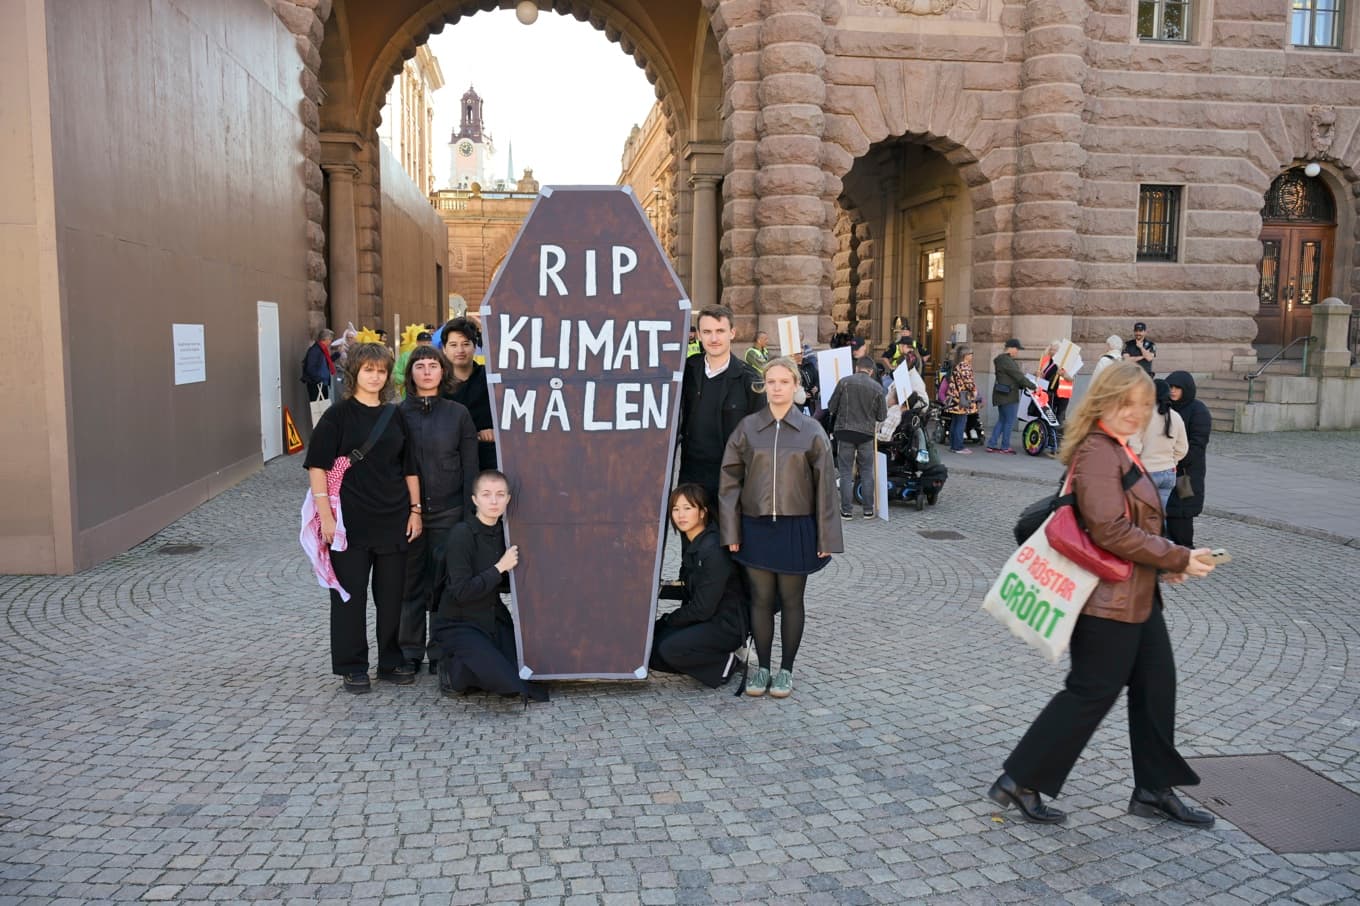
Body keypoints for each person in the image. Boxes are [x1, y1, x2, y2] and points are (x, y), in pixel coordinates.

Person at [989, 362, 1217, 827]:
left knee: (1157, 687)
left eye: (1145, 406)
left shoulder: (1118, 449)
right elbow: (1110, 530)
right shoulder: (1098, 450)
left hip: (1135, 594)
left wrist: (1161, 563)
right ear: (1104, 402)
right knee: (1091, 692)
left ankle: (1153, 789)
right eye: (1127, 404)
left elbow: (1131, 527)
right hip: (1106, 600)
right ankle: (1020, 779)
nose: (1137, 414)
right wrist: (1175, 557)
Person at [720, 357, 844, 699]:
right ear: (763, 386)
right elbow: (729, 481)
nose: (777, 387)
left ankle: (786, 669)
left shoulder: (811, 431)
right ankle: (762, 668)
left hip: (796, 527)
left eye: (783, 382)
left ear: (795, 386)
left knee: (792, 600)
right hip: (756, 527)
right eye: (771, 381)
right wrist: (731, 531)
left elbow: (825, 487)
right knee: (760, 600)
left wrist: (826, 535)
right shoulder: (748, 428)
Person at [305, 341, 422, 693]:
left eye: (381, 370)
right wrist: (325, 516)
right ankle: (352, 666)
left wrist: (416, 511)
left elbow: (410, 467)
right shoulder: (337, 416)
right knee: (349, 596)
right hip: (349, 522)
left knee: (391, 597)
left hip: (394, 516)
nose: (375, 376)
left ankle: (390, 660)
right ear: (355, 372)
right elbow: (317, 467)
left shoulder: (396, 414)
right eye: (368, 369)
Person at [431, 470, 548, 703]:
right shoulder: (461, 534)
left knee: (528, 673)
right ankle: (451, 669)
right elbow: (461, 592)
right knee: (506, 681)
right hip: (459, 622)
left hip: (492, 619)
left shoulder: (505, 533)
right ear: (475, 500)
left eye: (500, 494)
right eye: (486, 494)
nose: (493, 501)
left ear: (508, 499)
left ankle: (478, 663)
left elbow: (506, 584)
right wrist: (500, 567)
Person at [397, 346, 479, 675]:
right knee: (409, 584)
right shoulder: (397, 414)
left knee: (444, 586)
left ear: (443, 372)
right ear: (411, 373)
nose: (428, 371)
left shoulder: (458, 414)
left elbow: (470, 468)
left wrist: (469, 518)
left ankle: (441, 651)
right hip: (408, 515)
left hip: (450, 512)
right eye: (420, 366)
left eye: (433, 365)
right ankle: (409, 651)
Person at [650, 485, 749, 688]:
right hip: (706, 619)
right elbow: (690, 588)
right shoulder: (695, 544)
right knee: (650, 649)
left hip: (726, 625)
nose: (680, 515)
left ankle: (726, 663)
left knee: (669, 649)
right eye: (675, 509)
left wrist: (670, 619)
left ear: (703, 512)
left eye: (687, 508)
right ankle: (708, 657)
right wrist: (657, 590)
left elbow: (703, 608)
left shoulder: (713, 549)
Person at [678, 305, 763, 508]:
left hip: (730, 485)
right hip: (691, 480)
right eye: (707, 332)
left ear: (732, 333)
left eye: (720, 331)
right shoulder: (687, 371)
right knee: (693, 541)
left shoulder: (749, 380)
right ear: (698, 335)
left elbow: (759, 439)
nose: (713, 339)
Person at [827, 356, 887, 519]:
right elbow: (882, 416)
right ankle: (868, 509)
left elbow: (831, 407)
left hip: (845, 431)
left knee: (846, 472)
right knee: (867, 471)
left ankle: (846, 511)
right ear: (871, 371)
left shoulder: (844, 382)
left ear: (856, 368)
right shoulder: (877, 388)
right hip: (866, 434)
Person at [440, 317, 497, 471]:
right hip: (450, 462)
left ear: (474, 347)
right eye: (453, 345)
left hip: (488, 459)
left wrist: (493, 430)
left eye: (466, 344)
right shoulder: (437, 383)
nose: (460, 350)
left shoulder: (489, 378)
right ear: (444, 349)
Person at [1164, 371, 1211, 548]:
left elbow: (1198, 443)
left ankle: (1185, 550)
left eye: (1177, 388)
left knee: (1182, 512)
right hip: (1165, 467)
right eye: (1170, 387)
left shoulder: (1198, 410)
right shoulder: (1165, 406)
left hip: (1186, 472)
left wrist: (1177, 460)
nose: (1173, 391)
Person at [1129, 379, 1187, 510]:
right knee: (1159, 517)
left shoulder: (1143, 415)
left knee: (1144, 517)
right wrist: (1172, 461)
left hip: (1147, 470)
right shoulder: (1175, 416)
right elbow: (1182, 448)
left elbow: (1135, 446)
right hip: (1168, 472)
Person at [987, 338, 1035, 454]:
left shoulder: (1002, 360)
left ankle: (992, 444)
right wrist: (1033, 386)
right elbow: (1018, 376)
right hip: (1008, 395)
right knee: (1009, 421)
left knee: (1002, 420)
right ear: (1011, 348)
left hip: (1002, 394)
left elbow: (1011, 378)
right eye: (1017, 349)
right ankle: (1005, 446)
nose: (1017, 352)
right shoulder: (1006, 361)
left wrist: (1024, 385)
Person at [944, 345, 979, 455]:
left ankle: (953, 445)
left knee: (955, 422)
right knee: (961, 422)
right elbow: (968, 383)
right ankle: (958, 446)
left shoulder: (957, 365)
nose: (972, 356)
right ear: (965, 355)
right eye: (970, 354)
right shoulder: (965, 366)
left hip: (954, 397)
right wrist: (974, 391)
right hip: (962, 398)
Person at [1038, 341, 1074, 425]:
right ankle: (1050, 435)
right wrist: (1039, 374)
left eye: (1055, 350)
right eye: (1051, 349)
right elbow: (1041, 374)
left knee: (1060, 417)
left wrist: (1063, 374)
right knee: (1049, 416)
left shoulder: (1066, 362)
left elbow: (1071, 379)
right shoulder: (1047, 360)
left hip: (1063, 394)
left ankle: (1058, 436)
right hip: (1049, 393)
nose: (1052, 352)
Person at [302, 329, 334, 402]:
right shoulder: (315, 350)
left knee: (323, 407)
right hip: (317, 384)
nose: (330, 342)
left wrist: (338, 354)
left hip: (321, 383)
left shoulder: (322, 349)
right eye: (330, 340)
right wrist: (318, 380)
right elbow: (310, 368)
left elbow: (326, 362)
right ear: (325, 339)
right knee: (318, 408)